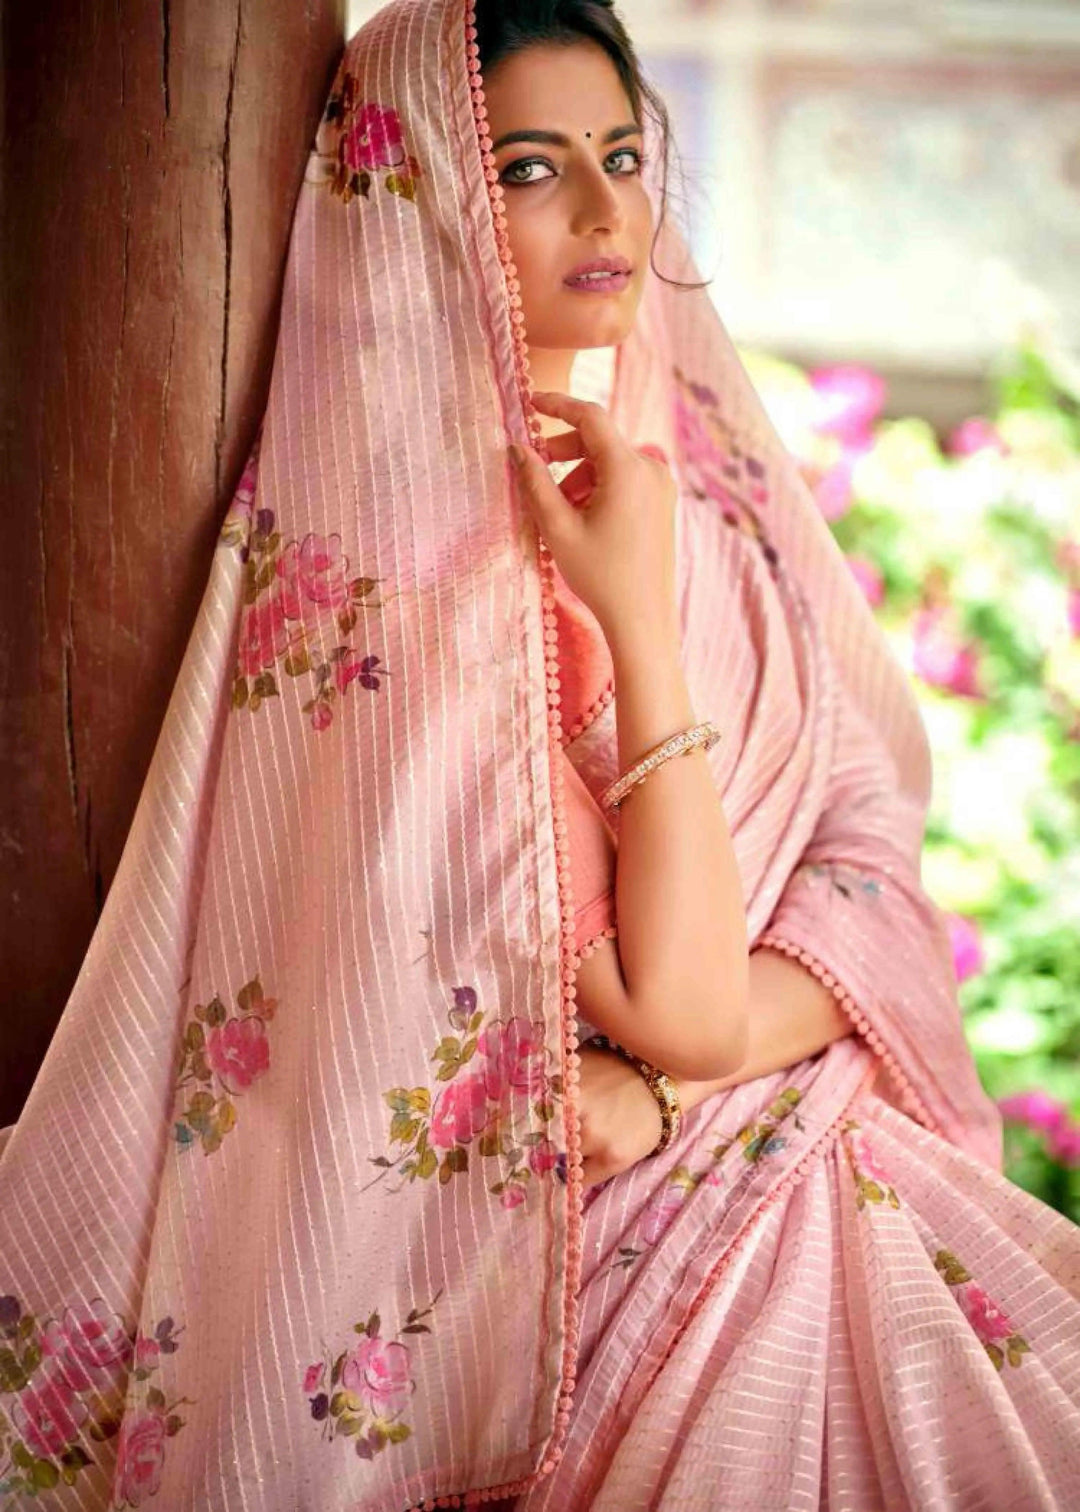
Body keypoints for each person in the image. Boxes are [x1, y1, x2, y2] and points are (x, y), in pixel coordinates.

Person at [0, 1, 1077, 1508]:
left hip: (807, 1172)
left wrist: (664, 1094)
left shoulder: (719, 518)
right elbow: (684, 1005)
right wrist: (633, 624)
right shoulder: (396, 620)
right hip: (671, 1279)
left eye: (623, 155)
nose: (602, 210)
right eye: (525, 167)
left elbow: (864, 872)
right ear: (424, 195)